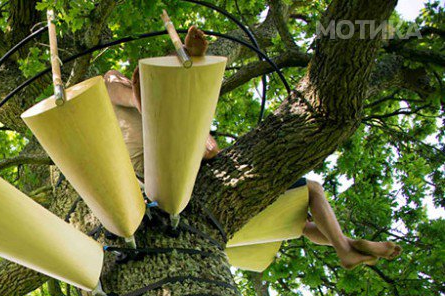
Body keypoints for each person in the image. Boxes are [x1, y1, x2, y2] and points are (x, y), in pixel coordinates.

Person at [103, 27, 401, 269]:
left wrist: (194, 133)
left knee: (301, 209)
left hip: (189, 172)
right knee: (307, 200)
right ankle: (345, 246)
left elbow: (210, 151)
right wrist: (149, 103)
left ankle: (344, 246)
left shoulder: (182, 114)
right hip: (153, 173)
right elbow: (121, 90)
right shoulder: (118, 84)